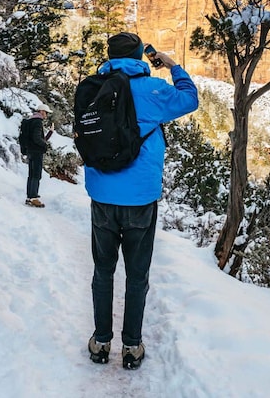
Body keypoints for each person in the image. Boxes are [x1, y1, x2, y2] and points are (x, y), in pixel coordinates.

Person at [83, 32, 198, 369]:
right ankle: (131, 346)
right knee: (137, 275)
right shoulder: (154, 90)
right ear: (139, 56)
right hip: (141, 201)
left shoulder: (96, 89)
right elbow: (190, 98)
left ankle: (101, 341)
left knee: (103, 271)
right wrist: (172, 64)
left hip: (102, 197)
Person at [24, 103, 53, 208]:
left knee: (31, 174)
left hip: (30, 151)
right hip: (36, 152)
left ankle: (30, 196)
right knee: (36, 174)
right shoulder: (38, 122)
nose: (46, 116)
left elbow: (38, 138)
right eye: (46, 113)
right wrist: (44, 145)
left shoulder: (31, 121)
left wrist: (50, 133)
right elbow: (37, 138)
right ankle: (34, 198)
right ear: (42, 112)